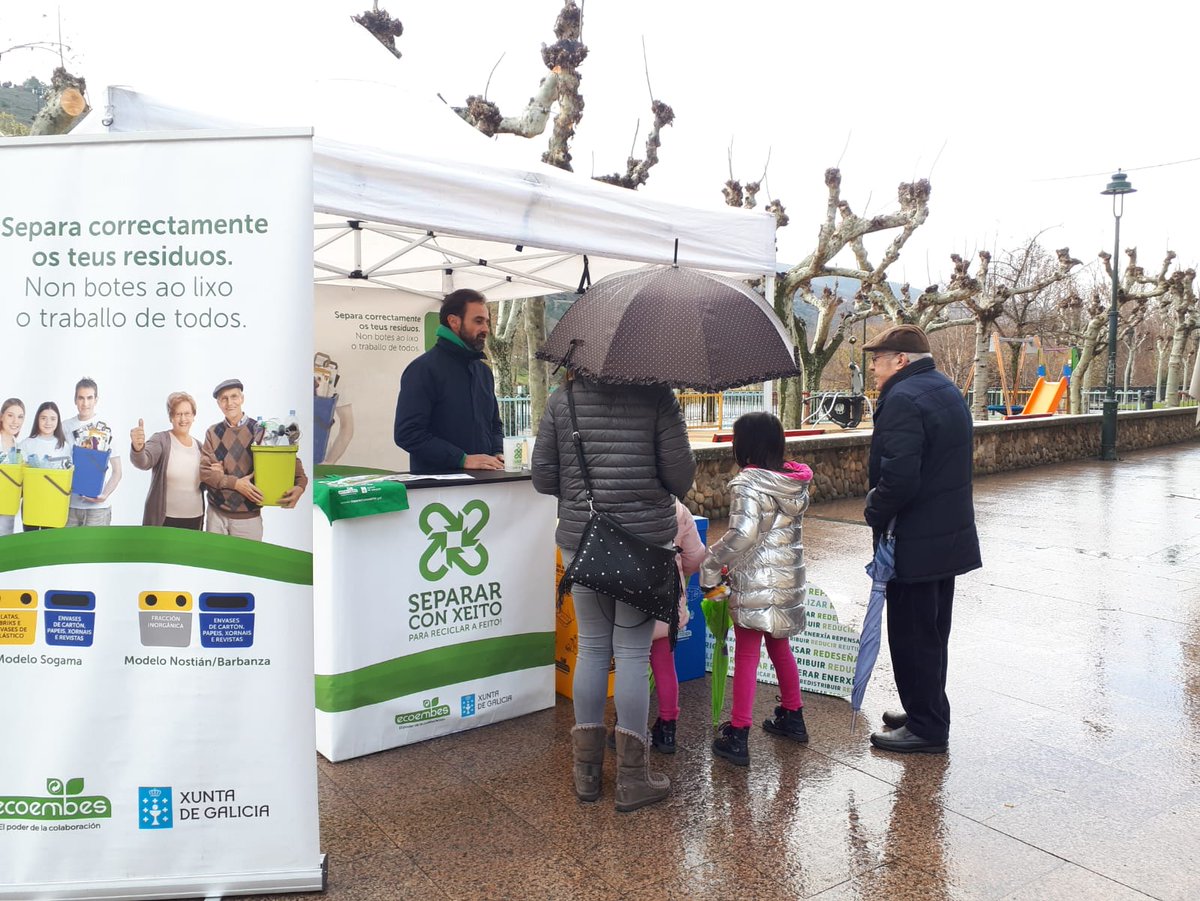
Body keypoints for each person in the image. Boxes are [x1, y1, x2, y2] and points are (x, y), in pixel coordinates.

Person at [532, 371, 695, 812]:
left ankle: (586, 775)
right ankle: (632, 779)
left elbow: (543, 477)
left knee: (591, 648)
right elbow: (680, 476)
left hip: (582, 540)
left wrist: (584, 492)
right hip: (644, 543)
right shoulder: (658, 395)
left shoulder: (563, 397)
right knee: (632, 654)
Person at [862, 324, 981, 755]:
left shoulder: (902, 399)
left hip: (914, 538)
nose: (872, 368)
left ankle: (927, 727)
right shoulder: (944, 388)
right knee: (931, 633)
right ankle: (924, 710)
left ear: (900, 360)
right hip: (944, 536)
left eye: (877, 359)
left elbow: (899, 478)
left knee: (912, 635)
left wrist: (873, 509)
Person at [700, 412, 813, 767]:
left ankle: (738, 734)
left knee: (748, 655)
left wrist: (710, 565)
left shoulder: (748, 483)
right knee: (780, 647)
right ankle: (793, 716)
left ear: (745, 444)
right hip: (786, 581)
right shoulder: (793, 482)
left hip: (755, 582)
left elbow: (742, 535)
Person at [393, 289, 504, 474]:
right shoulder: (423, 369)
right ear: (454, 321)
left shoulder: (483, 372)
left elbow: (494, 425)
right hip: (440, 487)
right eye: (478, 321)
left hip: (485, 483)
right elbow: (408, 433)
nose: (485, 329)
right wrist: (462, 459)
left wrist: (498, 452)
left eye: (486, 321)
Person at [200, 379, 307, 541]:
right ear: (218, 403)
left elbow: (290, 463)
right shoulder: (212, 432)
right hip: (216, 515)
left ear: (242, 398)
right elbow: (205, 473)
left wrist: (300, 486)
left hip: (248, 518)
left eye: (234, 396)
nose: (229, 403)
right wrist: (236, 484)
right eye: (224, 399)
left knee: (247, 558)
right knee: (215, 558)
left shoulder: (261, 430)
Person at [130, 391, 205, 529]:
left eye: (187, 413)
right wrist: (138, 448)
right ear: (171, 417)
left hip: (195, 517)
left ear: (193, 416)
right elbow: (144, 462)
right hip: (165, 519)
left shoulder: (200, 447)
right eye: (178, 414)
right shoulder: (161, 440)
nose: (183, 419)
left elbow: (206, 481)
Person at [62, 377, 122, 526]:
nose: (85, 403)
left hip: (98, 510)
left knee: (96, 543)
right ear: (75, 400)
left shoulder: (106, 428)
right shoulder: (65, 427)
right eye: (81, 398)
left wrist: (104, 495)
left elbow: (117, 471)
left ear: (96, 400)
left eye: (89, 398)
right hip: (70, 506)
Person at [19, 401, 72, 531]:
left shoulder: (63, 446)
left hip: (54, 503)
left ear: (58, 421)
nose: (48, 422)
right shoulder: (26, 444)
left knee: (50, 541)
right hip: (32, 503)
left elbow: (67, 475)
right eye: (43, 418)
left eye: (53, 419)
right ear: (37, 419)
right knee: (30, 540)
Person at [0, 398, 25, 536]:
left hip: (7, 507)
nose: (16, 421)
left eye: (20, 417)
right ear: (1, 416)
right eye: (10, 415)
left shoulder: (17, 446)